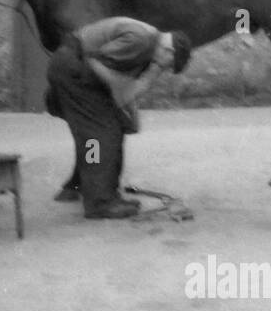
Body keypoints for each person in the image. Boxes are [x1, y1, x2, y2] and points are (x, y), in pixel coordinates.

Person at [45, 16, 175, 219]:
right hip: (75, 69)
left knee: (101, 134)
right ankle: (98, 202)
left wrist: (126, 108)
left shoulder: (146, 39)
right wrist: (150, 75)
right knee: (98, 137)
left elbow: (117, 75)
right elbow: (97, 63)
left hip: (73, 66)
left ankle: (86, 189)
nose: (165, 68)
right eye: (169, 65)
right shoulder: (141, 40)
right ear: (169, 51)